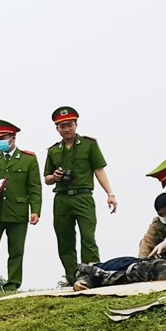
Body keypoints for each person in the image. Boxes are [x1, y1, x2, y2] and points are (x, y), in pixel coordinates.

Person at [44, 106, 117, 284]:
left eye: (69, 125)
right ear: (57, 129)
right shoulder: (53, 150)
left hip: (83, 196)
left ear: (76, 124)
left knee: (88, 237)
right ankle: (73, 277)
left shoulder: (88, 144)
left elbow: (99, 169)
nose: (66, 129)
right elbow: (46, 179)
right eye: (62, 126)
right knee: (64, 239)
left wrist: (110, 193)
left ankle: (91, 274)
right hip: (61, 198)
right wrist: (55, 177)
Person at [0, 119, 42, 293]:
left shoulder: (28, 159)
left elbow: (34, 188)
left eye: (2, 137)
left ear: (13, 138)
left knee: (16, 251)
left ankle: (12, 285)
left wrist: (35, 210)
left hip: (17, 212)